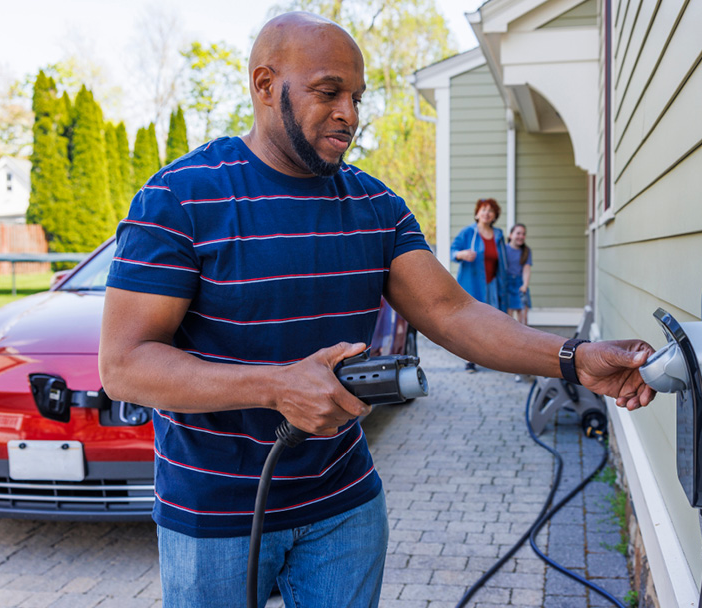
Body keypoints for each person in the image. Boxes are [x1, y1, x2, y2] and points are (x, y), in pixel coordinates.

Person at [98, 11, 655, 608]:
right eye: (328, 92)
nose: (351, 115)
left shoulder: (376, 206)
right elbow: (125, 365)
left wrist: (575, 359)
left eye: (357, 97)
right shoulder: (181, 197)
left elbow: (455, 313)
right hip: (215, 514)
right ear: (264, 85)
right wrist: (276, 387)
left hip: (345, 504)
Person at [449, 198, 508, 372]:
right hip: (472, 284)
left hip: (493, 284)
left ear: (494, 216)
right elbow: (453, 251)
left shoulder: (498, 235)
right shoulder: (468, 232)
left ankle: (491, 356)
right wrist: (461, 254)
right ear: (477, 213)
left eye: (491, 211)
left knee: (493, 320)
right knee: (473, 321)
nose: (487, 213)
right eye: (483, 210)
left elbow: (503, 261)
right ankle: (470, 359)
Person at [505, 223, 532, 326]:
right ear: (511, 235)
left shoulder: (526, 251)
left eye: (523, 234)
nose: (521, 236)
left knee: (523, 317)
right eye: (518, 233)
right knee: (508, 317)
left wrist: (525, 285)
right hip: (507, 284)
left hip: (520, 283)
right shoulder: (504, 249)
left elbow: (526, 268)